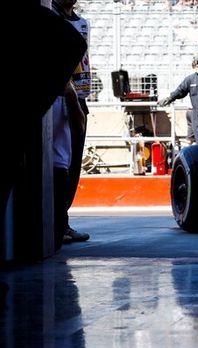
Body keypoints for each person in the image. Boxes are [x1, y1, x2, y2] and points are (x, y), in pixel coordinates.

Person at [52, 0, 91, 243]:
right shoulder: (50, 17)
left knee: (74, 162)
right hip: (59, 97)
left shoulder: (83, 22)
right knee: (59, 162)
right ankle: (55, 223)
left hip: (80, 96)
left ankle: (63, 220)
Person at [52, 82, 86, 250]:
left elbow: (79, 126)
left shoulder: (67, 93)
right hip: (56, 165)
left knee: (55, 239)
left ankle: (62, 227)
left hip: (58, 165)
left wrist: (72, 97)